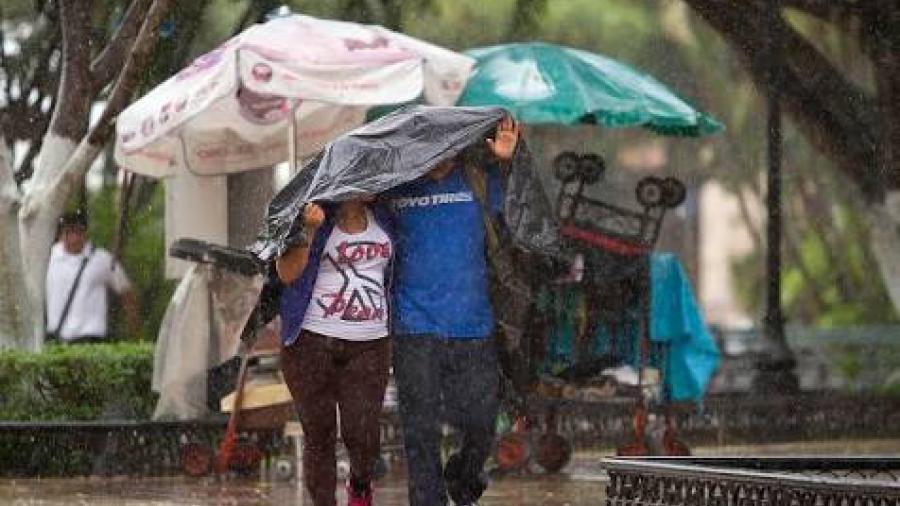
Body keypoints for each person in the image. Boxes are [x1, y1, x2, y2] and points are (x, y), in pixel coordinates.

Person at [388, 117, 521, 506]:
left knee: (481, 422)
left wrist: (505, 163)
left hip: (473, 324)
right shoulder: (396, 189)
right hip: (414, 326)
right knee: (419, 428)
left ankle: (464, 476)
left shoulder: (479, 181)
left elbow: (517, 216)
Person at [276, 197, 395, 506]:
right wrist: (308, 231)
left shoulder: (386, 215)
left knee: (364, 434)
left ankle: (359, 484)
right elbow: (286, 274)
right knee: (319, 434)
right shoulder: (312, 215)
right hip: (311, 343)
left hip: (370, 342)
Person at [45, 209, 138, 344]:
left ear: (85, 233)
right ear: (61, 234)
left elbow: (126, 292)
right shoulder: (48, 258)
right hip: (57, 336)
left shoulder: (101, 259)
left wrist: (135, 334)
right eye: (69, 232)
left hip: (90, 337)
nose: (74, 238)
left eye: (78, 232)